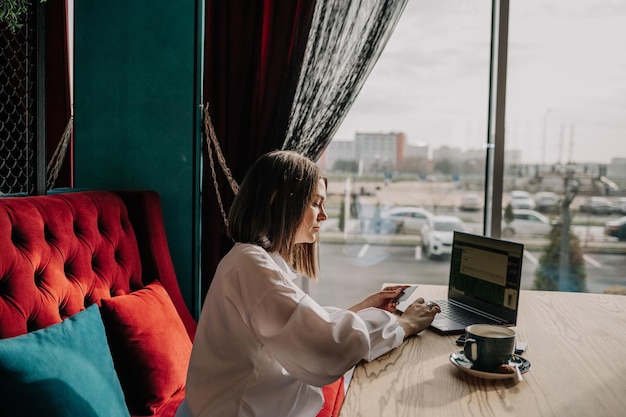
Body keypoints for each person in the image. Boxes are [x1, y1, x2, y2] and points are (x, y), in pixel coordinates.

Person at [176, 150, 440, 417]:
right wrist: (403, 325)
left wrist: (363, 307)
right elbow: (325, 346)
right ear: (276, 199)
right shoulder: (250, 267)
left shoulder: (253, 260)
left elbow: (303, 326)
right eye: (315, 203)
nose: (323, 215)